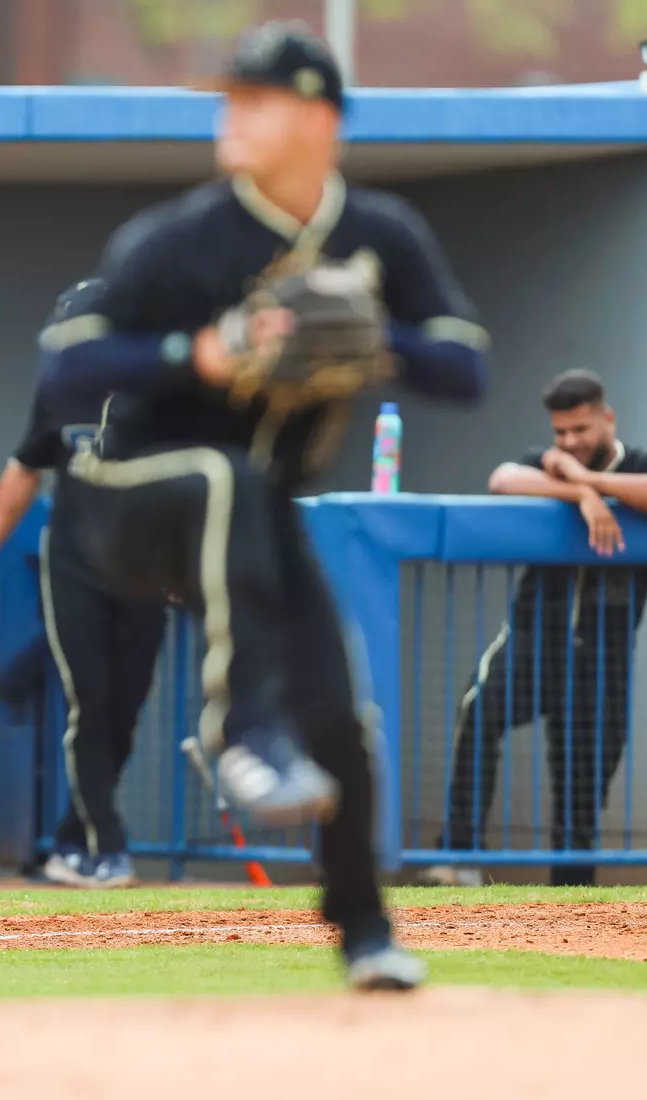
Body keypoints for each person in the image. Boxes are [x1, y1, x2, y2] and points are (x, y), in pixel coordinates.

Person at [36, 22, 487, 990]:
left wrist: (382, 339)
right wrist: (190, 353)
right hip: (126, 496)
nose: (228, 117)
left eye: (255, 100)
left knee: (338, 715)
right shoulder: (182, 237)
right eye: (226, 99)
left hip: (253, 514)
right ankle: (242, 732)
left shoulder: (378, 234)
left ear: (319, 117)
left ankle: (363, 927)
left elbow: (466, 363)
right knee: (224, 477)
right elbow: (66, 363)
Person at [422, 370, 647, 888]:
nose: (569, 442)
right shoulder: (545, 463)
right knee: (477, 713)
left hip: (602, 654)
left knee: (582, 784)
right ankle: (458, 859)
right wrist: (578, 496)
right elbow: (503, 480)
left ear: (607, 418)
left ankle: (571, 900)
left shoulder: (631, 465)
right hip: (532, 637)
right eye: (560, 433)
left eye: (581, 430)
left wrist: (587, 481)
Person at [0, 390, 165, 888]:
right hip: (77, 568)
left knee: (124, 715)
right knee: (92, 703)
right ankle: (109, 848)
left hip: (146, 569)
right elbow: (23, 469)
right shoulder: (64, 390)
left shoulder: (165, 387)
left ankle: (71, 840)